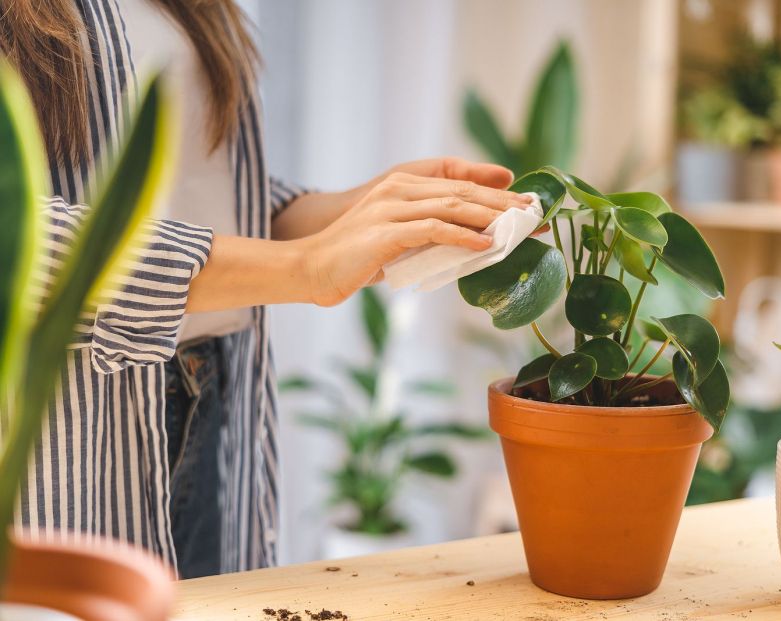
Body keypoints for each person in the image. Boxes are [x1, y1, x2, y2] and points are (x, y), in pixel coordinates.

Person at [0, 0, 527, 578]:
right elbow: (22, 235)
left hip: (213, 387)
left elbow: (216, 193)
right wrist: (305, 267)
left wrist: (361, 215)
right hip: (72, 426)